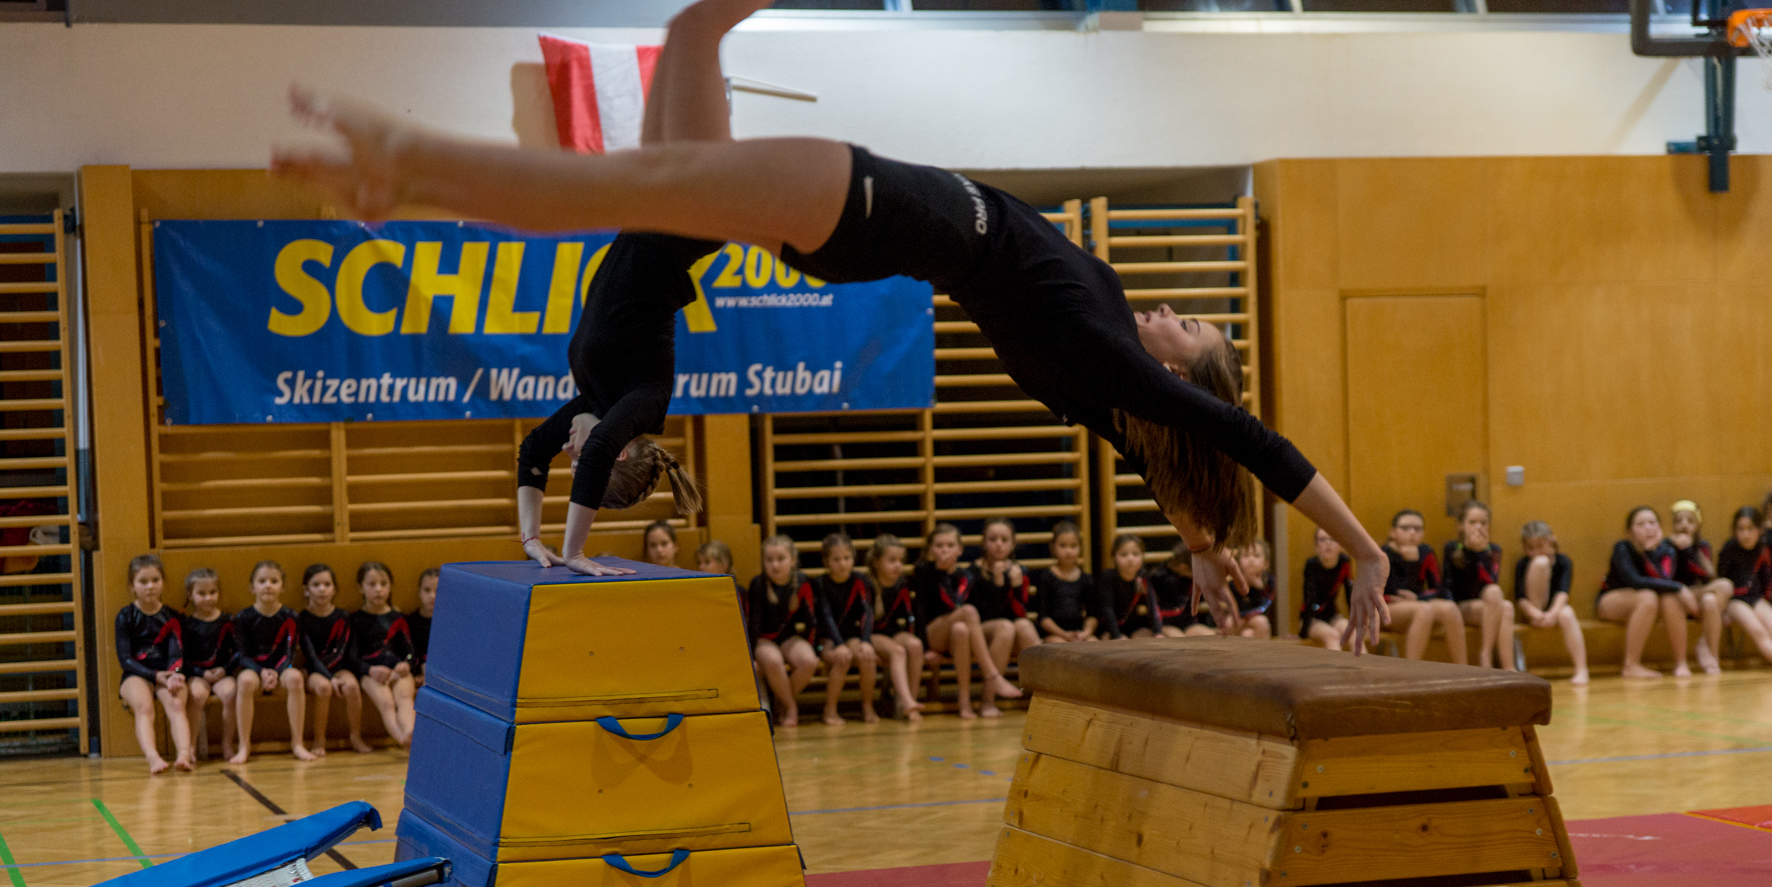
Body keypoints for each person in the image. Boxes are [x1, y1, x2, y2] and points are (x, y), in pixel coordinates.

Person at [274, 0, 1391, 651]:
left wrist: (1368, 552)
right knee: (693, 43)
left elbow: (1252, 445)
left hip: (886, 208)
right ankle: (414, 174)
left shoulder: (1113, 366)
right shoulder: (1111, 396)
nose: (1173, 312)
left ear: (1188, 374)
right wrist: (1203, 555)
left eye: (1191, 328)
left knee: (650, 183)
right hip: (883, 224)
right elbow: (1167, 466)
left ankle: (414, 168)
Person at [914, 522, 1017, 719]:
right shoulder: (924, 571)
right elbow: (919, 611)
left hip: (954, 636)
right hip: (933, 634)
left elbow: (958, 605)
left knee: (961, 628)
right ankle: (992, 675)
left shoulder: (965, 576)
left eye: (950, 545)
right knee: (968, 612)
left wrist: (999, 584)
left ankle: (965, 702)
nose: (945, 550)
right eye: (939, 545)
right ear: (930, 549)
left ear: (960, 550)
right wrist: (925, 648)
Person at [1597, 505, 1696, 679]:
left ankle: (1681, 663)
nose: (1648, 528)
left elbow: (1664, 581)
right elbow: (1634, 581)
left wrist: (1652, 554)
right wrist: (1680, 587)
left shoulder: (1665, 550)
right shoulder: (1622, 548)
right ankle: (1631, 665)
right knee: (1648, 597)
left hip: (1648, 608)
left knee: (1670, 598)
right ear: (1630, 532)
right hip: (1612, 601)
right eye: (1641, 524)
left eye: (1652, 523)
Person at [116, 554, 191, 773]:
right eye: (143, 581)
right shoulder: (126, 616)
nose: (150, 586)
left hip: (167, 672)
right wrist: (154, 676)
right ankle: (153, 757)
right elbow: (125, 659)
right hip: (135, 673)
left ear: (163, 582)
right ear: (132, 585)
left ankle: (184, 755)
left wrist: (175, 673)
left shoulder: (172, 617)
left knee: (176, 704)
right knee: (144, 707)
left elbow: (176, 652)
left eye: (155, 580)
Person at [230, 559, 311, 764]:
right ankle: (244, 746)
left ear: (282, 586)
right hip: (254, 669)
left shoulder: (290, 616)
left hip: (281, 670)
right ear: (252, 587)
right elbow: (242, 654)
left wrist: (277, 671)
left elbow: (290, 653)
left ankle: (298, 743)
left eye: (274, 581)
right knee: (245, 681)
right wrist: (262, 672)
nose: (268, 585)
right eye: (262, 581)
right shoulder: (243, 617)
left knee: (295, 677)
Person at [298, 563, 370, 756]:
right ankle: (319, 740)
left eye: (327, 584)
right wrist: (329, 679)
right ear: (306, 590)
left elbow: (342, 651)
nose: (322, 589)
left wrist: (335, 676)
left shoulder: (343, 616)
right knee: (323, 688)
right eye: (316, 585)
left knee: (352, 686)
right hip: (314, 670)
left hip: (339, 668)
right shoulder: (302, 619)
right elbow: (311, 656)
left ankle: (356, 737)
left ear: (334, 589)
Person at [749, 534, 819, 727]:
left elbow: (812, 621)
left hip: (788, 637)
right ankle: (791, 707)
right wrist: (751, 656)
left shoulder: (803, 582)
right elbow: (754, 623)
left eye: (781, 559)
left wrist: (815, 648)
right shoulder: (758, 584)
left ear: (793, 560)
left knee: (809, 661)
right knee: (773, 661)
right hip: (764, 639)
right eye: (769, 560)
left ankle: (781, 701)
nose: (775, 565)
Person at [1381, 509, 1465, 664]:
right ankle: (1411, 670)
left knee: (1450, 608)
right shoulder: (1383, 554)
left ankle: (1463, 668)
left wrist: (1418, 597)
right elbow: (1386, 590)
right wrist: (1411, 564)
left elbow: (1440, 590)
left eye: (1417, 529)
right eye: (1405, 528)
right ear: (1393, 532)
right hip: (1385, 607)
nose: (1412, 533)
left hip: (1416, 603)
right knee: (1424, 610)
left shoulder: (1426, 552)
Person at [1514, 521, 1589, 686]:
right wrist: (1536, 614)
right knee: (1540, 563)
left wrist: (1552, 614)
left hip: (1553, 609)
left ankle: (1581, 669)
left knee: (1568, 614)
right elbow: (1521, 598)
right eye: (1530, 548)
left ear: (1551, 541)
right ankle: (1540, 614)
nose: (1535, 552)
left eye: (1540, 546)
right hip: (1533, 609)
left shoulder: (1563, 562)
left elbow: (1563, 592)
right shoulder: (1524, 563)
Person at [813, 533, 877, 726]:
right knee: (843, 658)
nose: (842, 564)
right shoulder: (820, 583)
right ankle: (830, 709)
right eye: (836, 559)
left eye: (847, 558)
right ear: (826, 561)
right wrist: (839, 644)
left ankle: (868, 706)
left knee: (867, 656)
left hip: (850, 635)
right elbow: (826, 616)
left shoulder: (860, 581)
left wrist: (866, 641)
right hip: (825, 638)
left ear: (853, 558)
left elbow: (867, 612)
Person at [352, 561, 416, 746]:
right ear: (361, 587)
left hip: (397, 669)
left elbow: (410, 651)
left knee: (405, 698)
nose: (378, 589)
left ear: (390, 586)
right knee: (387, 704)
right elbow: (351, 658)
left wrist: (407, 663)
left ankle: (409, 733)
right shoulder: (355, 620)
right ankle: (403, 739)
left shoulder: (398, 618)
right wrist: (370, 670)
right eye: (372, 584)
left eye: (383, 584)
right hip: (371, 673)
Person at [1444, 500, 1513, 670]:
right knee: (1504, 607)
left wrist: (1481, 554)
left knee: (1504, 604)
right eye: (1472, 522)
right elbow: (1452, 585)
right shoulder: (1453, 548)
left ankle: (1506, 666)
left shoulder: (1493, 550)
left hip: (1487, 604)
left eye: (1483, 523)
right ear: (1461, 525)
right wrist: (1471, 552)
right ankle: (1487, 659)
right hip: (1460, 606)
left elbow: (1490, 581)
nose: (1478, 527)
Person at [968, 518, 1041, 679]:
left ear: (1013, 544)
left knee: (1024, 625)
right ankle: (991, 692)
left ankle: (1044, 687)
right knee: (1005, 627)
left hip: (1009, 634)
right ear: (984, 543)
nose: (999, 544)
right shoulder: (973, 572)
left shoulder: (1018, 571)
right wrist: (998, 585)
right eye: (993, 539)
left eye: (1004, 540)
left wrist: (1017, 587)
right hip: (981, 636)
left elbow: (1020, 614)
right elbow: (983, 615)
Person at [1668, 500, 1732, 676]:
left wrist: (1691, 549)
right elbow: (1668, 575)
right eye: (1679, 521)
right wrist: (1679, 549)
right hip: (1678, 599)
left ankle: (1711, 654)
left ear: (1697, 525)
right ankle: (1701, 649)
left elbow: (1708, 575)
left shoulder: (1701, 546)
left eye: (1690, 521)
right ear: (1673, 525)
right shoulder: (1667, 546)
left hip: (1699, 597)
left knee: (1713, 598)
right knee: (1723, 587)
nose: (1684, 525)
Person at [180, 567, 238, 762]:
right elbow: (181, 658)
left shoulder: (227, 620)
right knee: (196, 695)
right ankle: (191, 746)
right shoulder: (187, 624)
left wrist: (225, 669)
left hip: (222, 673)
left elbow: (239, 652)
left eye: (212, 592)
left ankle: (227, 744)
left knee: (230, 693)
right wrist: (200, 673)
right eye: (201, 593)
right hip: (197, 674)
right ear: (190, 595)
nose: (208, 598)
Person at [865, 533, 924, 720]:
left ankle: (908, 701)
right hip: (870, 635)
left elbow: (910, 618)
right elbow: (864, 623)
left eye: (900, 561)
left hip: (891, 633)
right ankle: (907, 702)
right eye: (891, 560)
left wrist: (913, 637)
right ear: (876, 563)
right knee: (897, 651)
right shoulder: (866, 585)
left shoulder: (901, 584)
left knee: (915, 645)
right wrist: (866, 645)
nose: (898, 565)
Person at [1718, 506, 1772, 665]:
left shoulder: (1762, 548)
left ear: (1759, 530)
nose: (1745, 534)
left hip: (1755, 598)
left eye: (1750, 529)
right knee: (1758, 631)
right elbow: (1721, 579)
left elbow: (1765, 579)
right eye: (1740, 529)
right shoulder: (1729, 549)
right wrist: (1722, 610)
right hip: (1735, 601)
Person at [1035, 520, 1098, 643]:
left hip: (1078, 632)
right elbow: (1043, 617)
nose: (1068, 551)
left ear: (1080, 547)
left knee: (1094, 643)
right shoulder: (1046, 577)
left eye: (1073, 546)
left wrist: (1085, 633)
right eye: (1063, 546)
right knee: (1060, 645)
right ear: (1053, 547)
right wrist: (1064, 634)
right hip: (1054, 633)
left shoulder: (1085, 578)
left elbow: (1092, 614)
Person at [1098, 534, 1161, 640]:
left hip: (1134, 627)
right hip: (1109, 628)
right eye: (1124, 554)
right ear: (1114, 557)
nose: (1130, 559)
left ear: (1142, 556)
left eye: (1135, 554)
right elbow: (1107, 609)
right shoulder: (1108, 577)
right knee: (1119, 644)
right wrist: (1117, 636)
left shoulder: (1143, 576)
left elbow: (1152, 604)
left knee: (1150, 641)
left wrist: (1158, 632)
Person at [1148, 547, 1213, 638]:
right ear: (1183, 567)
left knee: (1211, 636)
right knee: (1179, 638)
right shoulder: (1158, 577)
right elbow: (1152, 604)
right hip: (1166, 623)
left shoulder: (1190, 578)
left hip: (1188, 623)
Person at [1232, 540, 1275, 640]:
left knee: (1256, 627)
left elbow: (1263, 609)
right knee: (1231, 622)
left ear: (1266, 564)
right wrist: (1244, 587)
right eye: (1246, 556)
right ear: (1238, 563)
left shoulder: (1269, 582)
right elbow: (1236, 610)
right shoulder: (1233, 583)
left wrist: (1258, 587)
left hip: (1257, 621)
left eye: (1256, 556)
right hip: (1238, 621)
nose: (1251, 560)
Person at [407, 567, 438, 686]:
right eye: (427, 590)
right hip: (420, 669)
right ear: (419, 591)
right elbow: (408, 652)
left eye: (438, 590)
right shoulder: (410, 621)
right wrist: (416, 672)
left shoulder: (450, 623)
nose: (432, 596)